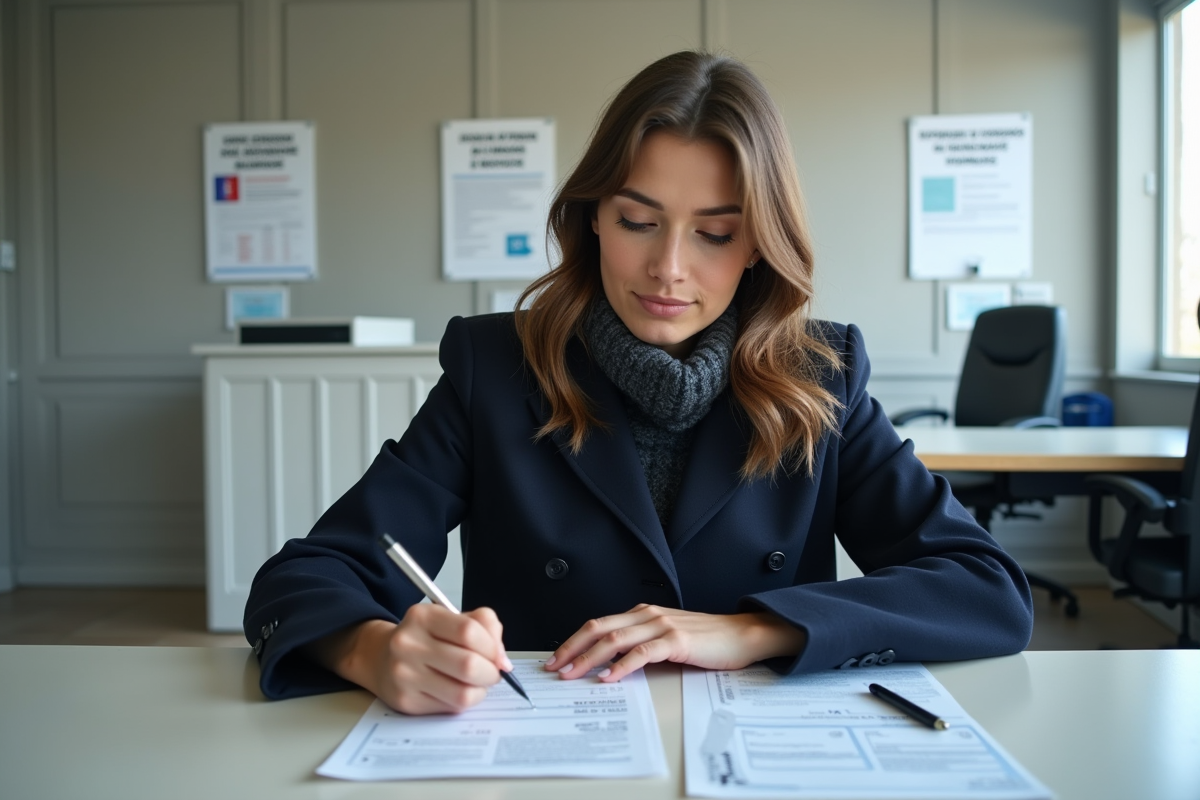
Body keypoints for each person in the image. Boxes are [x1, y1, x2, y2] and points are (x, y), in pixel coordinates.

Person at [245, 51, 1033, 714]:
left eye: (716, 234)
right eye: (637, 220)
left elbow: (985, 588)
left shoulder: (820, 376)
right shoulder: (494, 366)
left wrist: (754, 630)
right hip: (551, 760)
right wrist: (375, 651)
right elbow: (304, 578)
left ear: (759, 243)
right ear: (592, 216)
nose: (669, 269)